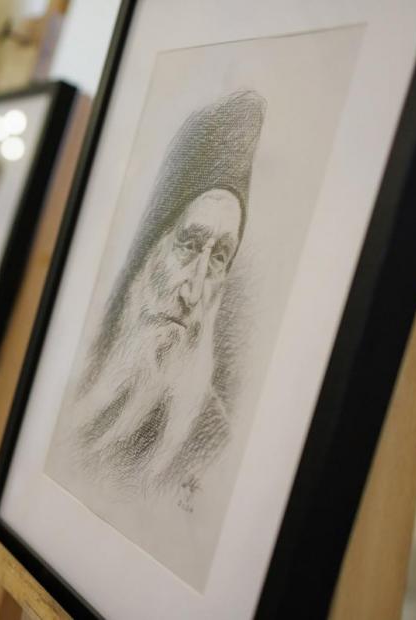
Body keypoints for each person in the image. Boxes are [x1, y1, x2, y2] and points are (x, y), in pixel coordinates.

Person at [58, 90, 266, 508]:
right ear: (149, 248)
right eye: (188, 245)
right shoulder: (77, 364)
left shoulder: (212, 440)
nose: (193, 291)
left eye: (219, 258)